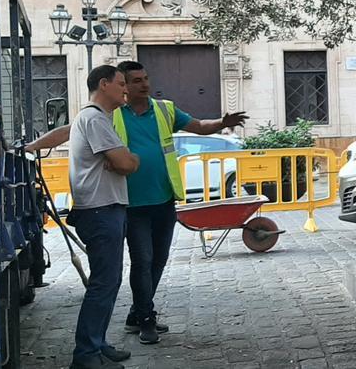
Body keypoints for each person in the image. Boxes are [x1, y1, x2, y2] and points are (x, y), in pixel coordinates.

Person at [27, 61, 248, 345]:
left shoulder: (164, 109)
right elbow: (69, 131)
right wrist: (33, 147)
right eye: (133, 81)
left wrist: (222, 123)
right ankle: (145, 318)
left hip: (163, 199)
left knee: (158, 260)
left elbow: (198, 126)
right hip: (130, 204)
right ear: (123, 85)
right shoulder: (109, 114)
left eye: (146, 78)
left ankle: (137, 311)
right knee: (142, 261)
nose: (144, 84)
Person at [68, 65, 140, 369]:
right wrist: (128, 159)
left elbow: (122, 161)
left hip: (106, 208)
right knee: (103, 283)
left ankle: (97, 344)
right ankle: (86, 355)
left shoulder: (100, 119)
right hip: (100, 210)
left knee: (109, 281)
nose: (126, 90)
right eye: (121, 83)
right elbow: (126, 162)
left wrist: (124, 159)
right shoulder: (94, 118)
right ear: (103, 84)